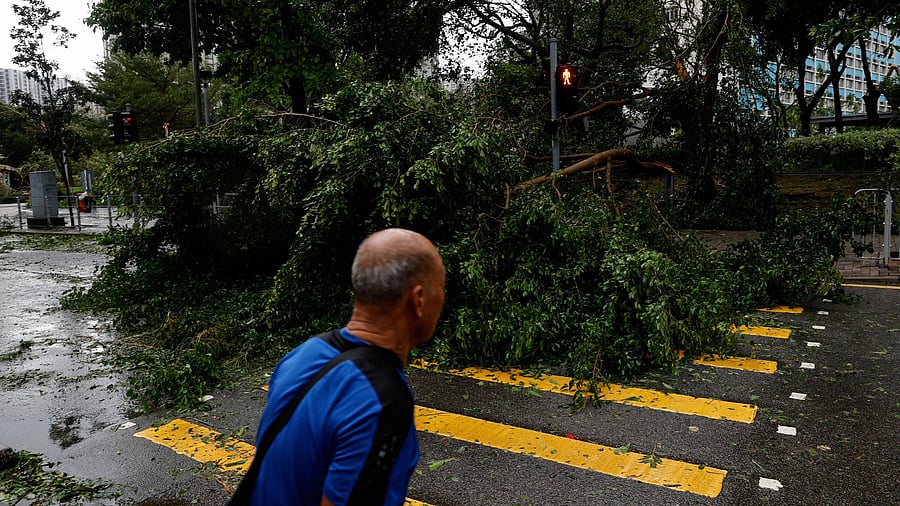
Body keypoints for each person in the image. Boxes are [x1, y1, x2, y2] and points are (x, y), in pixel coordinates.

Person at [250, 228, 446, 506]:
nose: (443, 298)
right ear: (419, 299)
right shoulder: (381, 403)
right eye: (442, 288)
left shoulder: (304, 354)